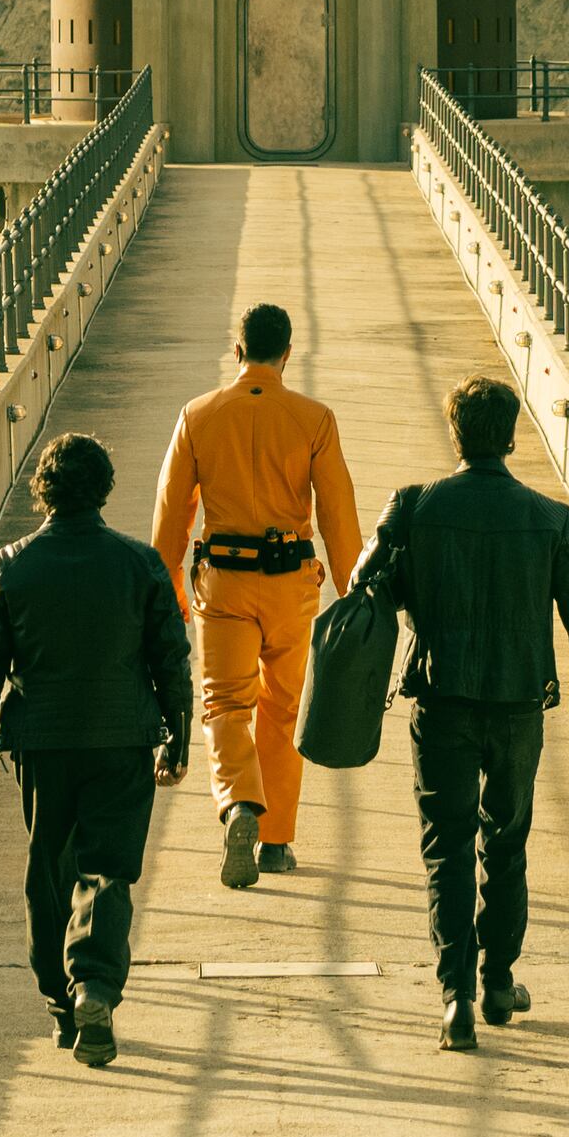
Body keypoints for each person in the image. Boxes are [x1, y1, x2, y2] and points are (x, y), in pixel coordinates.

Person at [364, 375, 569, 1053]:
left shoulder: (415, 508)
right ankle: (500, 980)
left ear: (456, 434)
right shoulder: (552, 518)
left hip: (441, 702)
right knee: (504, 842)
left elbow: (370, 590)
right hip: (515, 708)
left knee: (445, 849)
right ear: (511, 435)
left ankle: (456, 1000)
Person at [0, 432, 196, 1069]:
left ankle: (63, 1008)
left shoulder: (11, 564)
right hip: (123, 739)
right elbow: (171, 660)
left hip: (44, 741)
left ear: (44, 491)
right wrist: (178, 734)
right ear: (104, 489)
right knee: (108, 870)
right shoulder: (142, 565)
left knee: (51, 872)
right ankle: (95, 984)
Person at [150, 301, 361, 892]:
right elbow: (337, 515)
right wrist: (353, 593)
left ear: (235, 349)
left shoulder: (197, 416)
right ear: (288, 354)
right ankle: (275, 842)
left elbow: (173, 514)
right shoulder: (314, 419)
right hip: (293, 584)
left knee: (224, 704)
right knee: (283, 708)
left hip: (223, 582)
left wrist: (166, 590)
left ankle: (241, 803)